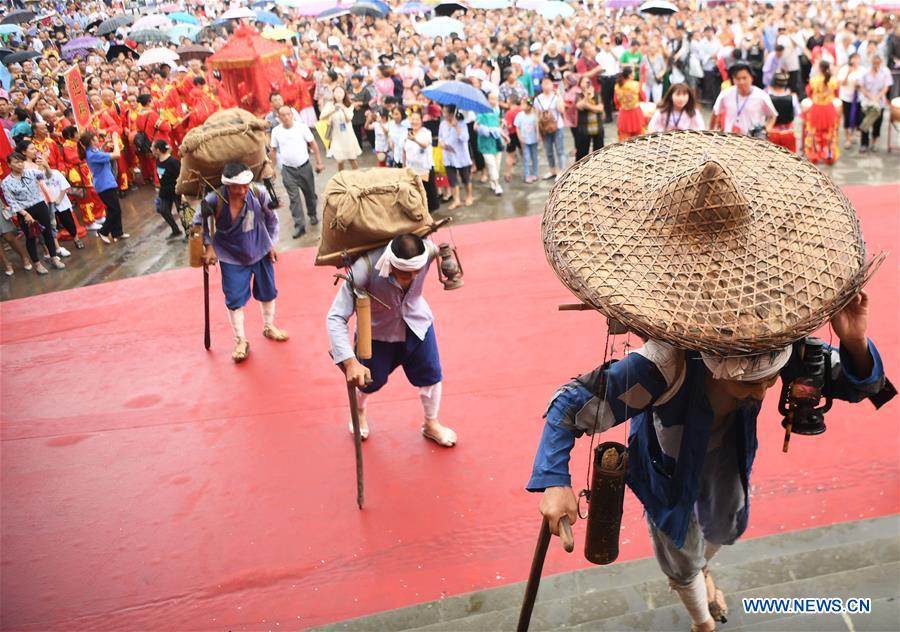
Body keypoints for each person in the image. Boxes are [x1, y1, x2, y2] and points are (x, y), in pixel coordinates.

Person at [529, 135, 888, 632]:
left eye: (769, 379)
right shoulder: (663, 368)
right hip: (669, 475)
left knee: (723, 525)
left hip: (728, 460)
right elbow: (570, 408)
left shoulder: (775, 328)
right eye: (748, 385)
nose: (762, 391)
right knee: (680, 553)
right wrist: (554, 481)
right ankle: (701, 619)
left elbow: (863, 385)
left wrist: (853, 340)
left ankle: (702, 570)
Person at [326, 233, 457, 447]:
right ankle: (358, 411)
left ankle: (431, 422)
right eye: (406, 273)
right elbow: (336, 316)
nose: (413, 277)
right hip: (376, 333)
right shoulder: (364, 268)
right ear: (391, 264)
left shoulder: (429, 250)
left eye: (417, 271)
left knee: (432, 376)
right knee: (368, 383)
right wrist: (349, 362)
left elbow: (438, 246)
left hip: (417, 325)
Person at [194, 162, 288, 363]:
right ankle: (240, 340)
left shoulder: (258, 192)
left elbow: (272, 219)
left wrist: (271, 243)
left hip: (260, 248)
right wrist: (208, 245)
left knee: (268, 290)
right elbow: (198, 222)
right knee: (234, 298)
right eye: (238, 187)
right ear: (228, 186)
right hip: (231, 256)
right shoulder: (214, 199)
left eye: (246, 185)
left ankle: (269, 326)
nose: (243, 190)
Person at [1, 152, 65, 275]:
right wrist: (25, 214)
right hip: (24, 210)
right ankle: (37, 263)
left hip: (39, 205)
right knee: (31, 237)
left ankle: (54, 258)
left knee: (48, 233)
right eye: (16, 162)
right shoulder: (6, 182)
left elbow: (47, 177)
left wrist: (46, 166)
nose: (20, 164)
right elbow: (11, 202)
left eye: (21, 162)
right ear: (9, 165)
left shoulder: (30, 172)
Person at [270, 104, 325, 239]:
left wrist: (319, 162)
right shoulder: (276, 131)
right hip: (288, 170)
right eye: (283, 115)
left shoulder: (301, 127)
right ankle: (299, 225)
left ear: (292, 115)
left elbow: (313, 144)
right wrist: (271, 169)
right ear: (279, 117)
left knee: (310, 194)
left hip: (304, 167)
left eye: (289, 114)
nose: (287, 117)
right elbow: (273, 151)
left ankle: (312, 214)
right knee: (294, 199)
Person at [79, 130, 128, 243]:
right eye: (96, 139)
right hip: (104, 184)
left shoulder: (92, 151)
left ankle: (117, 232)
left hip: (106, 182)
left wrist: (105, 144)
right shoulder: (93, 154)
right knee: (114, 210)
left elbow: (100, 152)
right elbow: (116, 155)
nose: (98, 140)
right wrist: (115, 140)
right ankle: (103, 231)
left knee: (114, 209)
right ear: (91, 141)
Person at [712, 62, 776, 137]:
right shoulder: (725, 94)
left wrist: (766, 131)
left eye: (744, 78)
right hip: (730, 139)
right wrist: (711, 133)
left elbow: (772, 116)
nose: (741, 82)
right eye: (737, 78)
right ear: (733, 79)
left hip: (752, 139)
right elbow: (715, 112)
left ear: (752, 77)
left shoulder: (761, 96)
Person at [804, 60, 840, 164]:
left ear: (820, 68)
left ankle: (814, 155)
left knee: (814, 132)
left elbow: (809, 94)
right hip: (829, 109)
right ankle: (829, 155)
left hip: (816, 109)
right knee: (830, 133)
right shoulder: (834, 81)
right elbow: (836, 95)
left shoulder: (813, 81)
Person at [402, 110, 439, 211]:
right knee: (415, 192)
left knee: (428, 192)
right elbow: (404, 151)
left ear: (421, 121)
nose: (414, 122)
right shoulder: (406, 133)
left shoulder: (426, 132)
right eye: (412, 119)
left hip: (424, 168)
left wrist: (414, 139)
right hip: (411, 168)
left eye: (417, 119)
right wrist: (403, 166)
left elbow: (425, 145)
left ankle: (430, 212)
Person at [438, 105, 473, 209]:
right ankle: (456, 200)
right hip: (448, 155)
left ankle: (469, 196)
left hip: (461, 156)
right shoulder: (443, 124)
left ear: (451, 114)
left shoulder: (461, 123)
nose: (444, 114)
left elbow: (465, 138)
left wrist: (457, 127)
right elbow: (440, 137)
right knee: (452, 179)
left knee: (465, 177)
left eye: (445, 112)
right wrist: (441, 143)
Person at [319, 87, 362, 171]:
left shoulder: (349, 105)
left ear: (344, 94)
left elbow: (348, 119)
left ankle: (357, 175)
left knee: (352, 159)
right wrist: (333, 111)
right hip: (336, 135)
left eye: (341, 92)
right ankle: (341, 176)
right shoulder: (330, 104)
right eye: (336, 92)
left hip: (347, 135)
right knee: (339, 161)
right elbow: (322, 117)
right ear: (333, 94)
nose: (338, 94)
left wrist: (343, 110)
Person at [858, 55, 893, 153]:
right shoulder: (865, 72)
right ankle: (864, 144)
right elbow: (861, 86)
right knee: (865, 123)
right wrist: (870, 96)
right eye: (874, 63)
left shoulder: (885, 72)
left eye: (878, 63)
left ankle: (874, 142)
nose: (876, 65)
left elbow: (886, 87)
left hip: (879, 103)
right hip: (867, 102)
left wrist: (877, 97)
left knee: (877, 124)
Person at [474, 92, 507, 196]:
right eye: (491, 99)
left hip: (496, 142)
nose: (493, 101)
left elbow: (498, 124)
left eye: (495, 99)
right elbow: (475, 126)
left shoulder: (497, 110)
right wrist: (485, 129)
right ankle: (497, 185)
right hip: (486, 143)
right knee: (491, 164)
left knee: (497, 165)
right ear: (487, 100)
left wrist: (503, 132)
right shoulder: (481, 112)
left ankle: (493, 181)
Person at [534, 76, 566, 181]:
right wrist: (538, 132)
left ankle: (561, 171)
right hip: (544, 128)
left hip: (558, 126)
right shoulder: (538, 99)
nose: (546, 86)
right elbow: (537, 116)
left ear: (552, 84)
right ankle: (552, 170)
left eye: (548, 83)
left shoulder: (556, 97)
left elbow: (561, 110)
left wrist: (559, 95)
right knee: (548, 151)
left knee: (560, 150)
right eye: (544, 84)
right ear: (541, 85)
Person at [151, 140, 184, 240]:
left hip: (175, 190)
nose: (151, 149)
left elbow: (180, 177)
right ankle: (175, 230)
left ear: (158, 150)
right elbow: (161, 175)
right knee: (163, 210)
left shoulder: (173, 162)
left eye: (152, 147)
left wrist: (183, 193)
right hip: (165, 190)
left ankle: (189, 233)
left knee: (182, 211)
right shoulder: (158, 160)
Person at [766, 73, 800, 152]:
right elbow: (797, 113)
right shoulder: (793, 97)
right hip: (788, 132)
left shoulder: (767, 97)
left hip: (772, 132)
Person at [574, 76, 604, 161]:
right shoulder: (578, 95)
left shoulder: (597, 94)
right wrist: (587, 96)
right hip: (584, 129)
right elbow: (580, 106)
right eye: (584, 81)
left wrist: (588, 106)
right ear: (580, 84)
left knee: (599, 154)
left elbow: (600, 108)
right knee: (582, 154)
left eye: (588, 81)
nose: (587, 83)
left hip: (597, 128)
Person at [837, 53, 863, 149]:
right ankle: (847, 138)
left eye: (857, 58)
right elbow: (841, 83)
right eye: (854, 59)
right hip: (846, 98)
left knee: (857, 118)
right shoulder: (844, 69)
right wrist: (848, 73)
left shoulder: (862, 70)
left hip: (858, 98)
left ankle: (853, 135)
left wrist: (859, 85)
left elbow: (864, 84)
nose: (856, 61)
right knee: (847, 118)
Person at [614, 67, 646, 141]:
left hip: (623, 115)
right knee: (639, 140)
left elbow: (616, 102)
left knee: (624, 140)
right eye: (633, 72)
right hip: (636, 114)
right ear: (630, 75)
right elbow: (643, 98)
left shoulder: (617, 86)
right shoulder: (636, 84)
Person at [514, 97, 540, 183]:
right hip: (524, 141)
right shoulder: (520, 115)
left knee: (535, 157)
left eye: (523, 104)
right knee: (526, 158)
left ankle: (535, 174)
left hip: (533, 140)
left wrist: (538, 135)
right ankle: (527, 175)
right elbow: (517, 127)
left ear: (529, 106)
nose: (521, 106)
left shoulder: (534, 115)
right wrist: (520, 137)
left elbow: (537, 126)